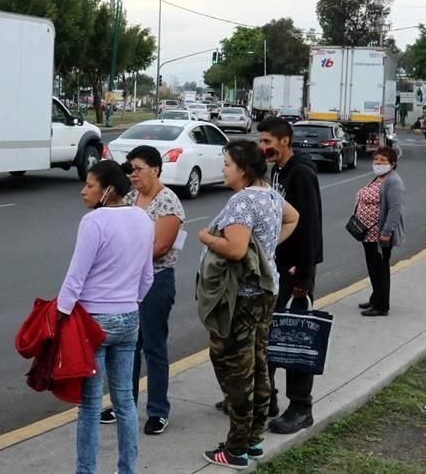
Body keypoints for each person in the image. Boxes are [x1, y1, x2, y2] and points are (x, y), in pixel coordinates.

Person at [198, 141, 299, 469]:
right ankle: (254, 440)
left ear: (242, 168)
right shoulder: (269, 194)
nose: (223, 169)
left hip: (240, 299)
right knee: (257, 363)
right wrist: (267, 249)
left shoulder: (242, 202)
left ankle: (236, 448)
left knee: (237, 371)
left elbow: (237, 250)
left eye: (227, 163)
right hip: (266, 293)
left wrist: (208, 238)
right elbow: (292, 217)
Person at [57, 160, 155, 474]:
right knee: (125, 400)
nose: (84, 191)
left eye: (90, 185)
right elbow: (147, 276)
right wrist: (130, 301)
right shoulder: (143, 218)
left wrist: (61, 314)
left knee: (89, 406)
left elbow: (76, 277)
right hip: (129, 318)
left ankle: (86, 471)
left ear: (108, 190)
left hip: (93, 322)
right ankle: (127, 469)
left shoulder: (94, 221)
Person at [100, 145, 185, 435]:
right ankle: (125, 403)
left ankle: (158, 410)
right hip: (127, 283)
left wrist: (120, 254)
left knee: (153, 347)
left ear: (156, 169)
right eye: (130, 170)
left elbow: (159, 248)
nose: (133, 175)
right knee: (127, 347)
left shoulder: (168, 203)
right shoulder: (131, 198)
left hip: (156, 282)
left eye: (138, 169)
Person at [258, 117, 323, 435]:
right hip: (278, 267)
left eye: (268, 141)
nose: (263, 147)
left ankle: (301, 408)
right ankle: (265, 398)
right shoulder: (279, 170)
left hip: (297, 272)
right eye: (261, 141)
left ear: (285, 141)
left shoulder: (301, 172)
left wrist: (304, 277)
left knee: (296, 339)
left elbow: (309, 226)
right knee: (271, 333)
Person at [354, 146, 405, 317]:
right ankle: (376, 297)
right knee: (373, 267)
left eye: (383, 160)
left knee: (380, 269)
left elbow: (395, 209)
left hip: (379, 235)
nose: (378, 163)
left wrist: (386, 232)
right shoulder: (379, 178)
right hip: (368, 233)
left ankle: (382, 305)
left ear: (393, 163)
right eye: (376, 160)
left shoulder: (393, 181)